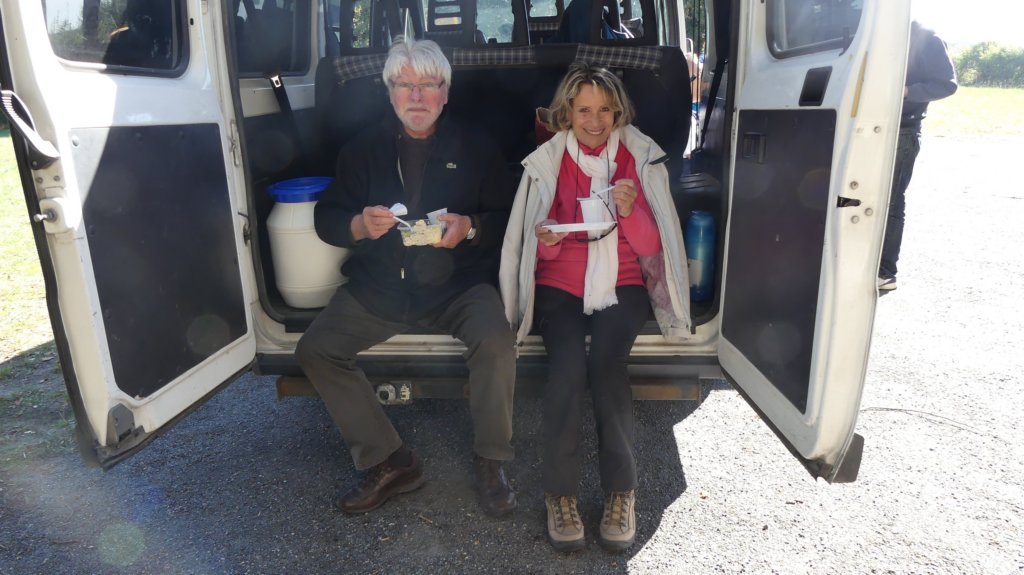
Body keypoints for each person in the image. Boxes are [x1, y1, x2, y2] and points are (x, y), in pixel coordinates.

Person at [296, 37, 518, 517]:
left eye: (429, 85)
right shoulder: (362, 150)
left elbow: (508, 220)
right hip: (381, 286)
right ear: (390, 91)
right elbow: (327, 218)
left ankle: (491, 460)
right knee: (316, 349)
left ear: (446, 92)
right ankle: (391, 461)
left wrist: (470, 227)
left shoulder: (477, 147)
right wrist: (359, 225)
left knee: (497, 342)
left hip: (459, 284)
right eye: (404, 85)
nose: (416, 96)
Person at [499, 62, 691, 552]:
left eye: (605, 110)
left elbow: (651, 248)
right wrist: (546, 242)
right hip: (560, 283)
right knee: (566, 369)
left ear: (618, 112)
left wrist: (630, 210)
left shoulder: (638, 157)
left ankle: (621, 493)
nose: (595, 120)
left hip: (622, 281)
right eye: (584, 110)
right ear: (567, 112)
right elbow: (536, 252)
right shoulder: (548, 162)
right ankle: (559, 495)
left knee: (607, 367)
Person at [879, 21, 957, 291]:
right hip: (866, 125)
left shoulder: (927, 37)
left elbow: (947, 85)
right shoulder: (872, 30)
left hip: (903, 130)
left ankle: (886, 272)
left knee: (891, 201)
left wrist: (907, 92)